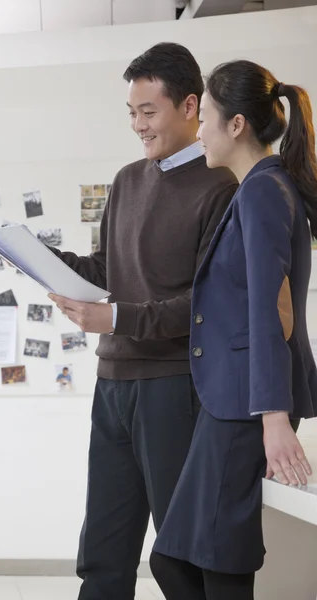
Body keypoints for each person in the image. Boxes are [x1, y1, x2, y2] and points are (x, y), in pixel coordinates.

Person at [48, 43, 238, 600]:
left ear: (189, 106)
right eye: (131, 112)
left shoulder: (221, 187)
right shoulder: (128, 179)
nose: (137, 125)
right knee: (102, 551)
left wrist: (116, 316)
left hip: (173, 387)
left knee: (177, 556)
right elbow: (107, 269)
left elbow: (207, 307)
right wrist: (36, 254)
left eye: (148, 111)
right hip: (113, 384)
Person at [150, 60, 317, 600]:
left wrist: (273, 416)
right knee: (176, 557)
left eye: (208, 117)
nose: (199, 131)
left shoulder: (265, 191)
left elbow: (271, 308)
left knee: (217, 564)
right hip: (231, 399)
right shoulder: (257, 188)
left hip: (247, 403)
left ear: (237, 124)